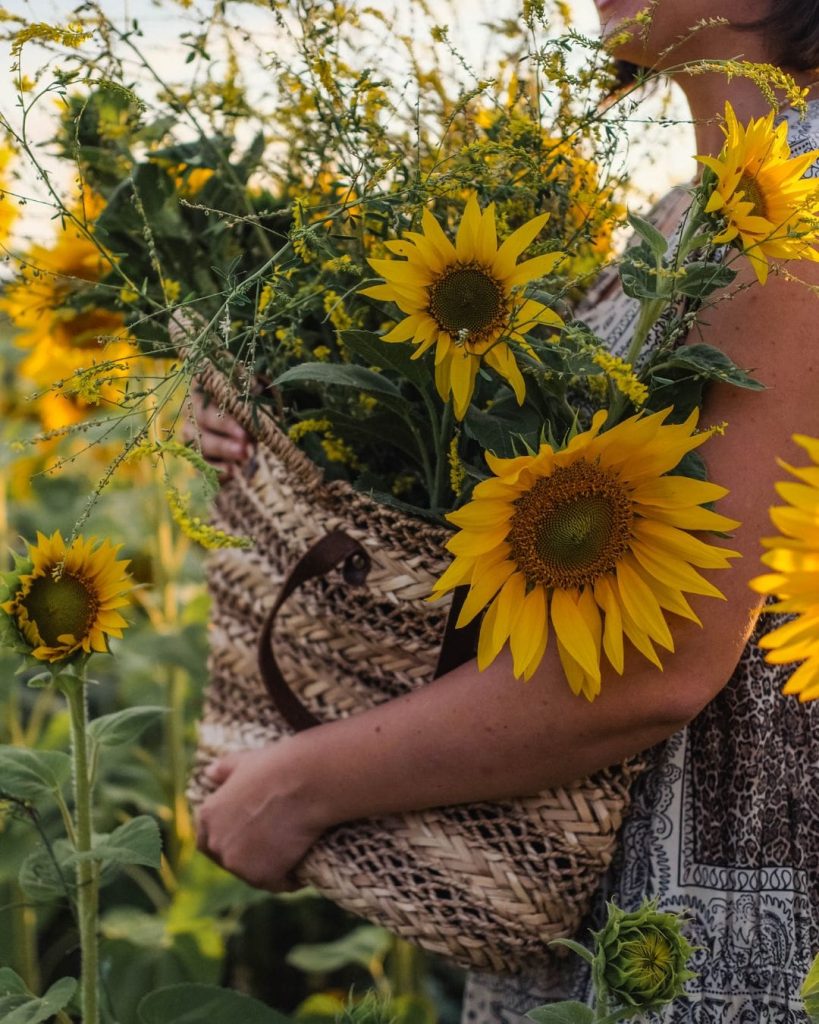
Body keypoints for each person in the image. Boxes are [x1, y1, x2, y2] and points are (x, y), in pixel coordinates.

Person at [188, 0, 819, 1018]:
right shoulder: (674, 218)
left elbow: (665, 662)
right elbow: (501, 520)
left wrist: (299, 782)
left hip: (702, 945)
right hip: (582, 912)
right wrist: (280, 425)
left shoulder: (795, 225)